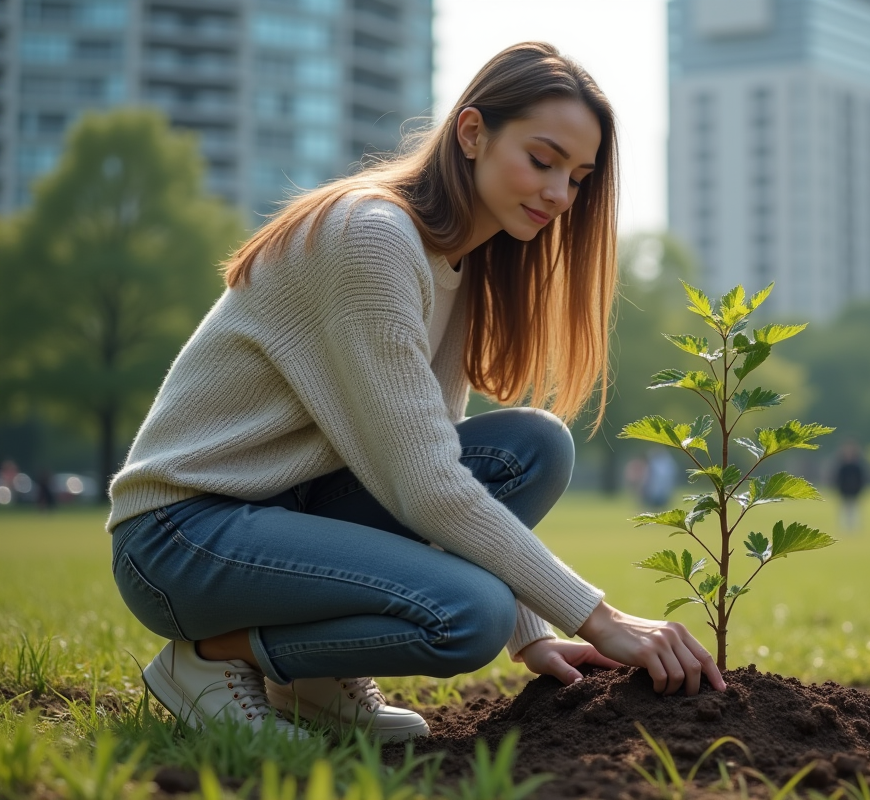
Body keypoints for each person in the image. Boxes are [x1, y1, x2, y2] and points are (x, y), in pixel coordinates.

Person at [105, 43, 724, 743]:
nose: (559, 194)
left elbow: (437, 470)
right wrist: (599, 619)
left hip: (292, 506)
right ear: (472, 134)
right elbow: (427, 490)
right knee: (469, 616)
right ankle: (210, 659)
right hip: (183, 535)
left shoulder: (464, 263)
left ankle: (309, 681)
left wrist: (533, 634)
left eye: (578, 178)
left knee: (533, 448)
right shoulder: (373, 239)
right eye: (543, 160)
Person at [834, 441, 866, 532]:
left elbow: (861, 479)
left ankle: (854, 529)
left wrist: (859, 490)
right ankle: (845, 529)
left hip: (855, 492)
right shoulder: (842, 467)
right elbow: (838, 480)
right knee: (844, 511)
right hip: (844, 492)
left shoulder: (857, 467)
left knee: (855, 510)